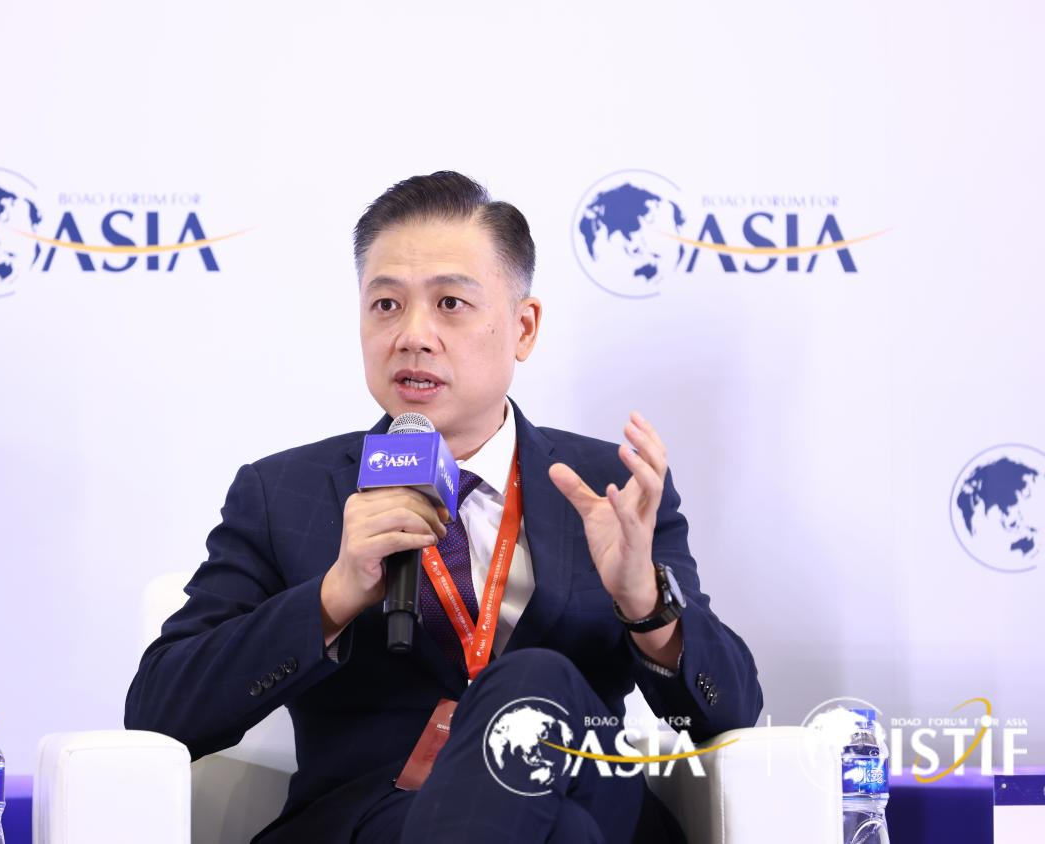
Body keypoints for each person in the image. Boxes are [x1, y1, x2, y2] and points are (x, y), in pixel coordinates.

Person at [125, 171, 763, 843]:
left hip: (585, 791)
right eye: (386, 305)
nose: (413, 335)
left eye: (450, 303)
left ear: (523, 327)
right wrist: (333, 597)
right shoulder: (283, 494)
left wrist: (645, 604)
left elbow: (730, 714)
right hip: (378, 820)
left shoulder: (608, 486)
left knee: (536, 684)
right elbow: (162, 711)